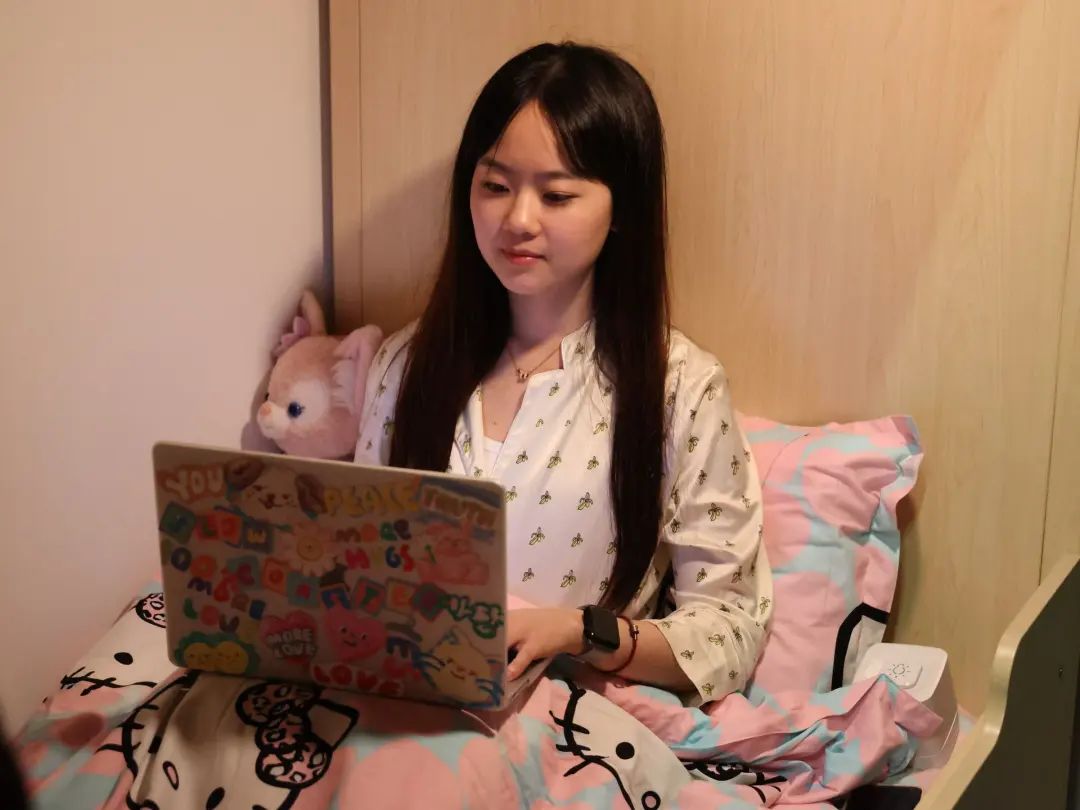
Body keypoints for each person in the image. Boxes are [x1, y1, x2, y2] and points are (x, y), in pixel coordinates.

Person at [355, 41, 772, 705]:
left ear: (621, 209)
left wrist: (581, 632)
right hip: (397, 705)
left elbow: (729, 630)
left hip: (563, 723)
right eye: (495, 187)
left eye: (556, 195)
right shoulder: (405, 364)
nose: (517, 220)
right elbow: (358, 573)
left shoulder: (679, 387)